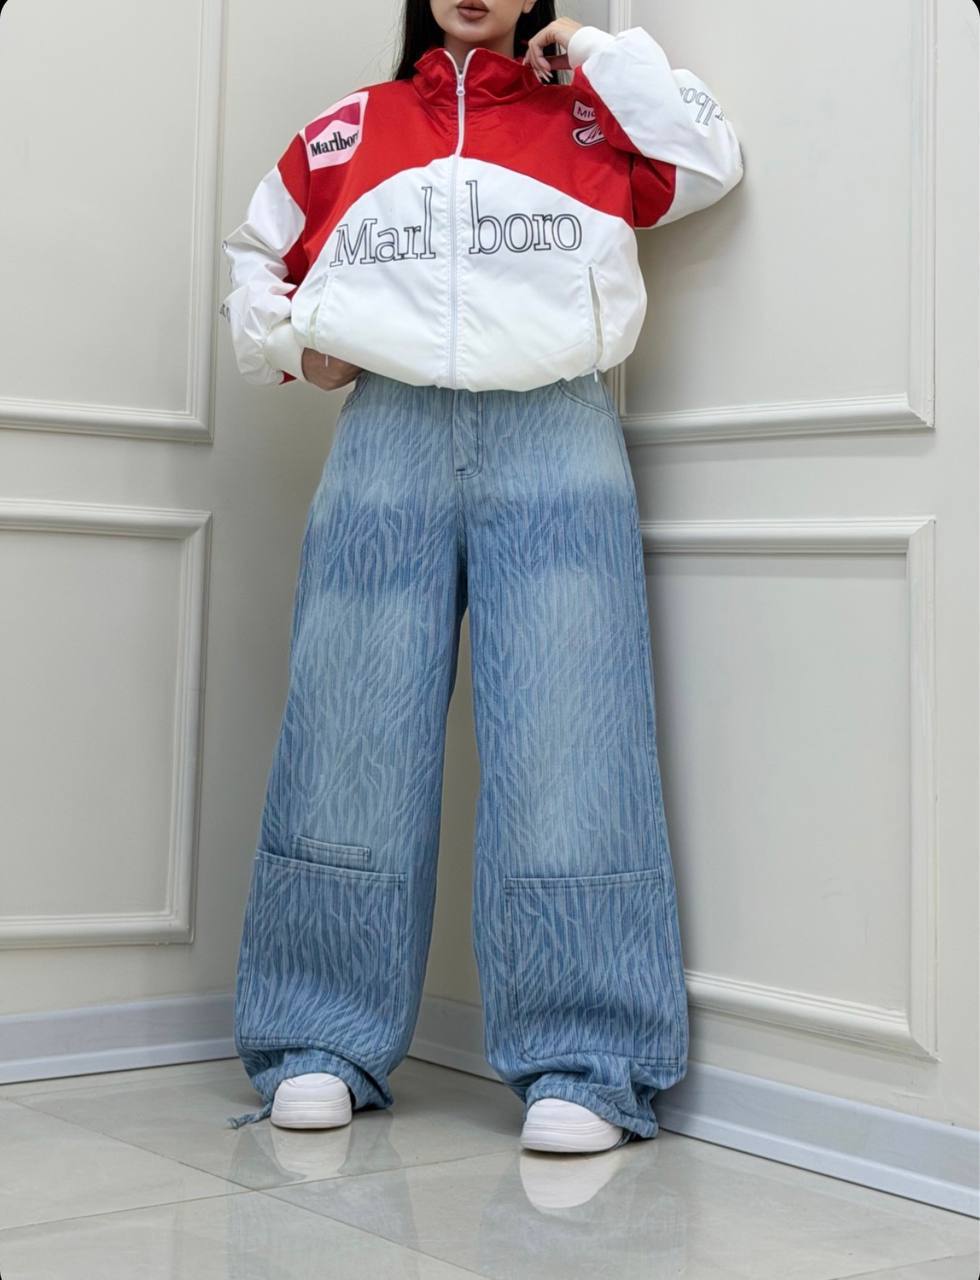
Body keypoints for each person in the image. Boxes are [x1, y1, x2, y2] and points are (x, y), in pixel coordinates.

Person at [220, 0, 743, 1153]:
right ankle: (316, 1037)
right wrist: (291, 340)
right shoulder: (350, 128)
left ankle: (585, 1056)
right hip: (385, 433)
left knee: (570, 734)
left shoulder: (589, 116)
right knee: (348, 732)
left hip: (555, 430)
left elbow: (708, 157)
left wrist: (593, 52)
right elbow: (254, 257)